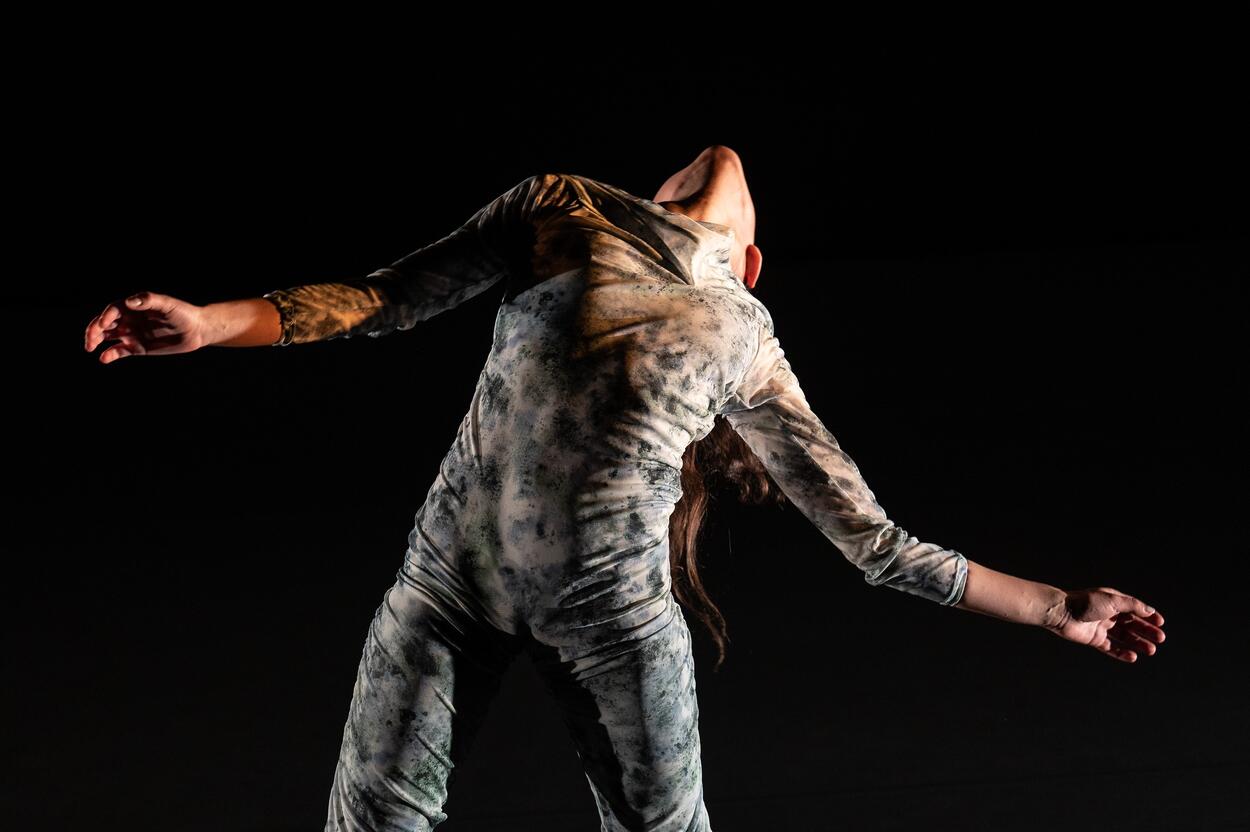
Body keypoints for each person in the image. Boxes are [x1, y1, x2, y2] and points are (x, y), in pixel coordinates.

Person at [83, 145, 1166, 831]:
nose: (712, 161)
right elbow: (385, 298)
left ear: (749, 263)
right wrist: (209, 323)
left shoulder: (749, 340)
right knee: (373, 819)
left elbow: (873, 542)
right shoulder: (562, 207)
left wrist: (1053, 608)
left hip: (614, 618)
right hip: (446, 585)